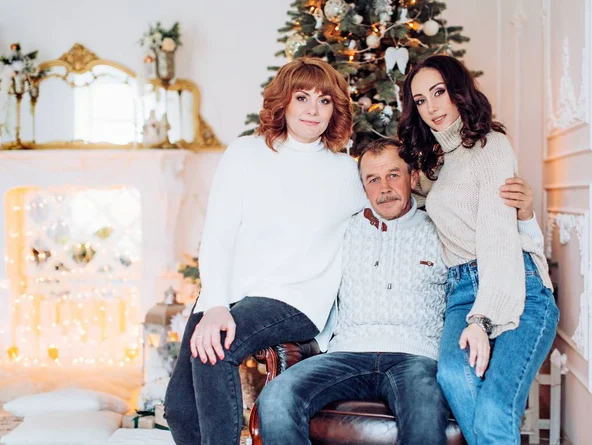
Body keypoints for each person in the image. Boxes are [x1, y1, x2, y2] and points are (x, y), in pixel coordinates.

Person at [256, 138, 542, 445]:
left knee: (423, 418)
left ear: (413, 178)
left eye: (394, 174)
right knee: (275, 397)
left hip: (416, 357)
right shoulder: (343, 230)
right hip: (347, 353)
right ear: (363, 188)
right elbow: (291, 267)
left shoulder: (442, 229)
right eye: (373, 179)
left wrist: (525, 218)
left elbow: (503, 257)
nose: (384, 188)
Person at [164, 58, 366, 445]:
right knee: (179, 405)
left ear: (334, 110)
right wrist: (216, 303)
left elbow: (398, 204)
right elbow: (219, 234)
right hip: (232, 296)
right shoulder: (245, 153)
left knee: (218, 350)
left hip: (296, 299)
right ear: (283, 102)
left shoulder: (346, 172)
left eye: (324, 101)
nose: (312, 109)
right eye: (302, 97)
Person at [398, 55, 559, 444]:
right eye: (420, 100)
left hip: (516, 287)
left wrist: (482, 320)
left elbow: (499, 243)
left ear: (458, 92)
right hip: (461, 292)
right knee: (454, 375)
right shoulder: (437, 162)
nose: (432, 107)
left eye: (438, 93)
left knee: (493, 412)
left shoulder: (491, 147)